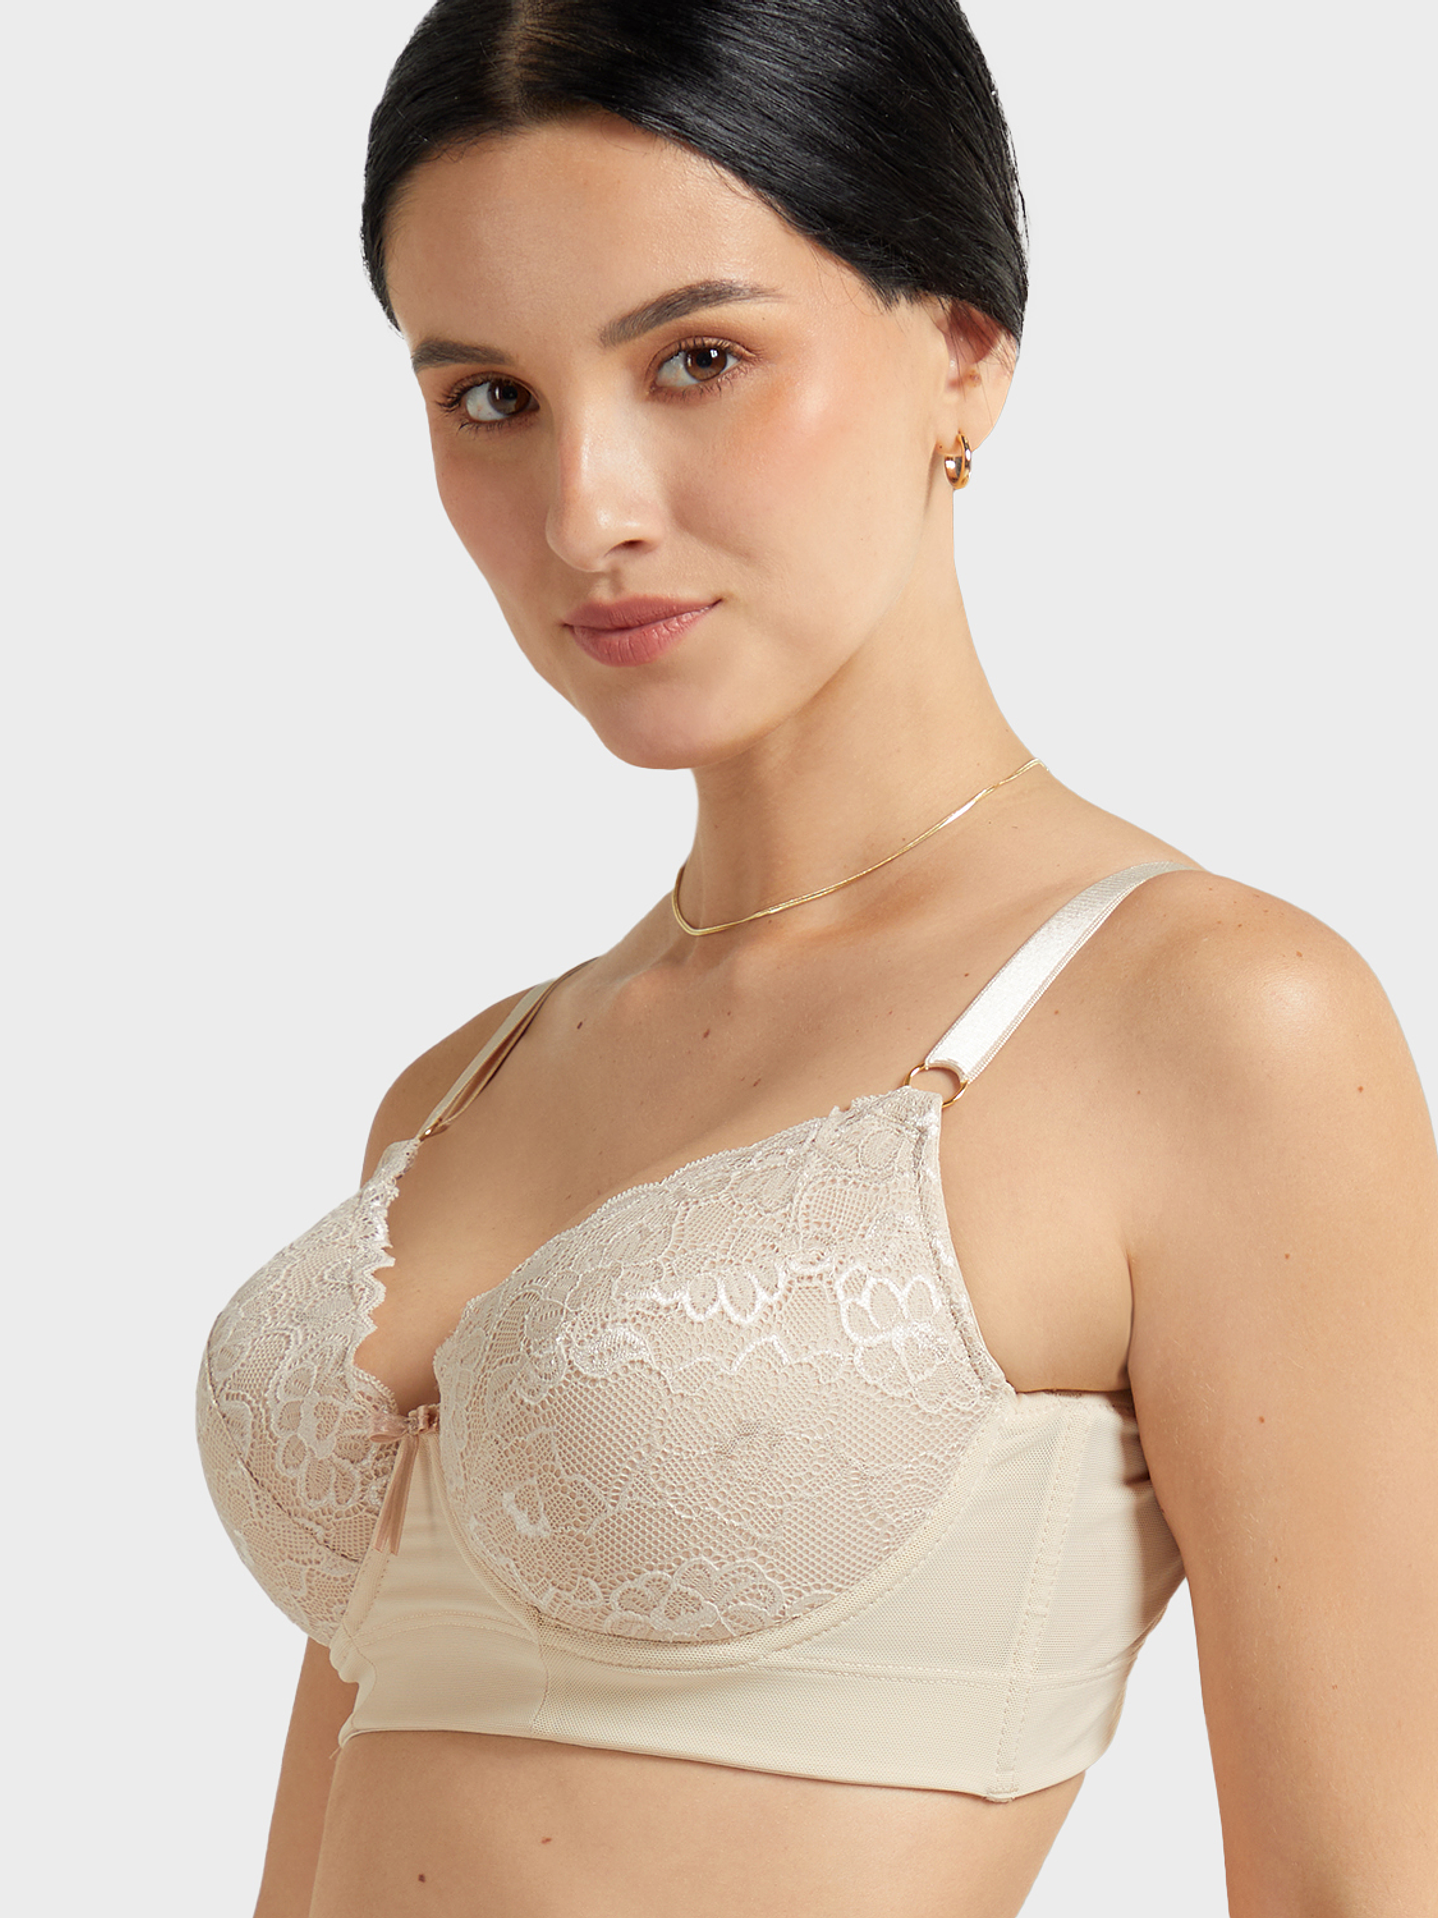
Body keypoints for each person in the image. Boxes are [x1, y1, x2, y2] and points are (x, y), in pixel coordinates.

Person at [196, 2, 1438, 1912]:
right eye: (490, 397)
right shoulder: (457, 1090)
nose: (586, 510)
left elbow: (1359, 1881)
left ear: (964, 349)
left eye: (696, 359)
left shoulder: (1206, 1022)